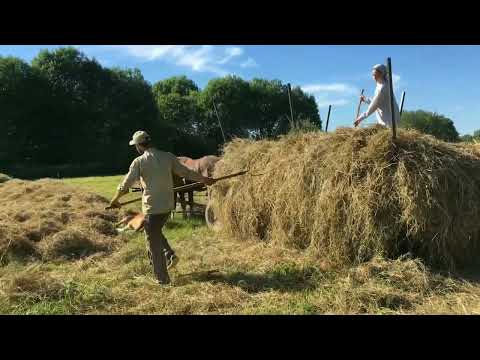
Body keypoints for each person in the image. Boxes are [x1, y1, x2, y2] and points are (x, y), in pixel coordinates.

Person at [109, 130, 216, 285]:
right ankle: (169, 255)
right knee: (154, 231)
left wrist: (115, 199)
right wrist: (205, 179)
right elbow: (186, 172)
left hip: (152, 208)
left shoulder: (139, 162)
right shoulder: (168, 156)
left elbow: (126, 184)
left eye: (136, 146)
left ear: (139, 146)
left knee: (153, 245)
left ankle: (162, 280)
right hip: (167, 207)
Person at [354, 64, 400, 128]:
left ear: (381, 74)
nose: (373, 74)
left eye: (375, 72)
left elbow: (374, 106)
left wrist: (360, 119)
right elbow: (377, 102)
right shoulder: (380, 84)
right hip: (387, 121)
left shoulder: (383, 88)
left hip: (389, 122)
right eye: (373, 72)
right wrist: (365, 99)